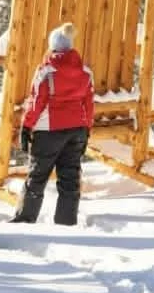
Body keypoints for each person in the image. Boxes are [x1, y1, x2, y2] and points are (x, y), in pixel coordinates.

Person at [10, 23, 94, 226]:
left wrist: (26, 127)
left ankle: (25, 220)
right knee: (70, 178)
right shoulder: (85, 72)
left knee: (37, 176)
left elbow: (37, 101)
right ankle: (66, 223)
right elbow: (89, 105)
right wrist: (86, 131)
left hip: (49, 130)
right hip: (77, 130)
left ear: (53, 46)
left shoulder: (46, 71)